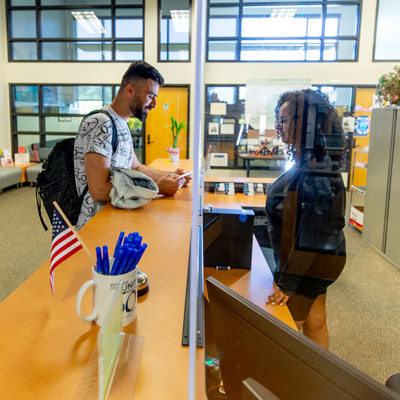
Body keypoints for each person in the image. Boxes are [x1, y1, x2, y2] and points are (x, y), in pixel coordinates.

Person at [265, 89, 346, 349]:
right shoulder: (310, 158)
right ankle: (320, 379)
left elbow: (310, 232)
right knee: (316, 321)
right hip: (320, 261)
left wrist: (287, 285)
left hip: (308, 264)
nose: (279, 126)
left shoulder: (316, 167)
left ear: (306, 124)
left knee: (285, 328)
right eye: (279, 119)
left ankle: (291, 385)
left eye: (285, 120)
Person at [74, 61, 190, 230]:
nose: (154, 104)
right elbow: (98, 190)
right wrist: (156, 188)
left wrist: (171, 176)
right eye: (151, 96)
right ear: (130, 90)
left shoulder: (121, 123)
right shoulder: (101, 123)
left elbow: (136, 167)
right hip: (96, 226)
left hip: (116, 217)